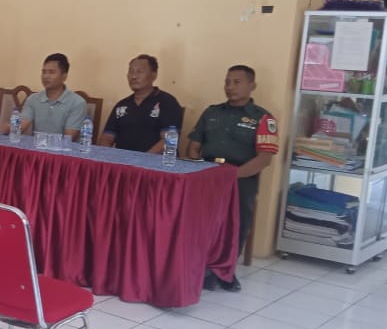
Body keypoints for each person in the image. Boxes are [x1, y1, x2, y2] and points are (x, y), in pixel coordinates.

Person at [187, 65, 279, 292]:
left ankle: (226, 271)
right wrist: (200, 168)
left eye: (237, 82)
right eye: (227, 82)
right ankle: (198, 267)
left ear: (252, 85)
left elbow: (264, 159)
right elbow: (194, 146)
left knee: (237, 223)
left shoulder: (263, 118)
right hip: (207, 173)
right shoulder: (212, 112)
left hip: (241, 176)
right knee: (198, 220)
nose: (230, 87)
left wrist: (232, 176)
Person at [98, 54, 184, 153]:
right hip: (121, 160)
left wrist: (141, 160)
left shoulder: (168, 102)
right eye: (131, 71)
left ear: (154, 75)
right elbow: (106, 138)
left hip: (153, 161)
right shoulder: (121, 105)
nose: (133, 76)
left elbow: (168, 141)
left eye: (140, 71)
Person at [4, 53, 88, 139]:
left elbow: (68, 138)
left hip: (61, 147)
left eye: (51, 72)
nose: (46, 76)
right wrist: (10, 128)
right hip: (37, 146)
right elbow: (20, 127)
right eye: (44, 72)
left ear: (64, 76)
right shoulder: (33, 99)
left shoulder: (77, 103)